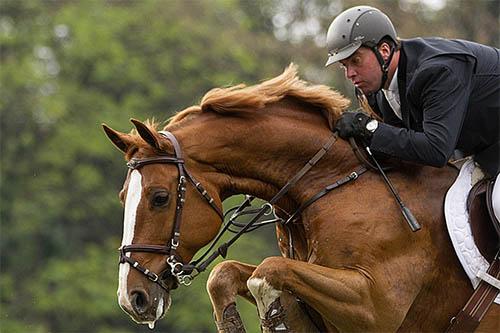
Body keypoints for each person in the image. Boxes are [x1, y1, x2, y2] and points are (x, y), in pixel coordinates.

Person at [325, 5, 500, 222]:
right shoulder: (375, 88)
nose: (350, 74)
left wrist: (369, 128)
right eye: (344, 66)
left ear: (384, 51)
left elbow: (435, 150)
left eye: (355, 61)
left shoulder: (437, 70)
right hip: (481, 148)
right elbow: (398, 145)